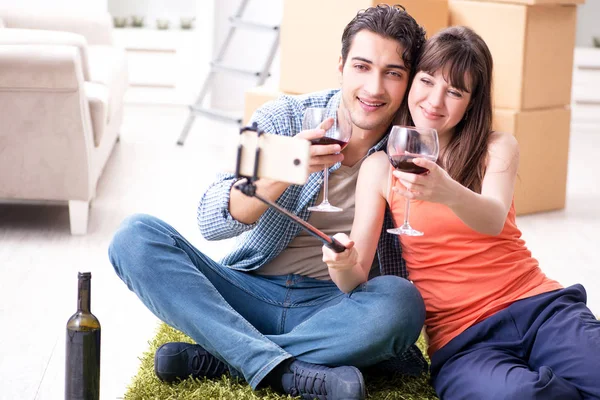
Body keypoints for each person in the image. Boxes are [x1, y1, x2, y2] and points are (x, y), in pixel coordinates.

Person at [108, 5, 428, 400]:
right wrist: (283, 168)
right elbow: (213, 219)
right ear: (341, 66)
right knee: (134, 237)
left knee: (401, 303)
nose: (375, 88)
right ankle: (292, 368)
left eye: (392, 73)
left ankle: (230, 357)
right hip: (249, 291)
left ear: (409, 81)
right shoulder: (283, 117)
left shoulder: (410, 147)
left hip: (336, 306)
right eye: (362, 67)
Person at [323, 25, 600, 400]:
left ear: (473, 101)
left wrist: (446, 190)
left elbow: (492, 217)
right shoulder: (380, 168)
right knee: (522, 396)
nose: (435, 101)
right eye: (426, 81)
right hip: (463, 340)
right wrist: (340, 263)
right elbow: (355, 279)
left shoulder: (497, 147)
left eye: (455, 91)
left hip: (539, 308)